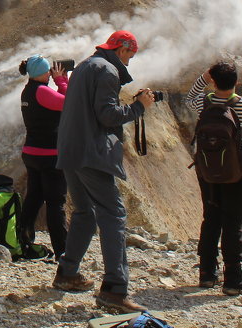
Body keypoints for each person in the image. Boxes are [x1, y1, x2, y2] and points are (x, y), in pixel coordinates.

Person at [54, 30, 155, 313]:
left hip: (70, 151)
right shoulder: (109, 71)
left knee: (85, 212)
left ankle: (67, 273)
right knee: (113, 214)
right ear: (122, 49)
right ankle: (114, 289)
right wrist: (139, 107)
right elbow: (108, 115)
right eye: (130, 56)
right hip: (91, 153)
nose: (129, 62)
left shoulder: (87, 65)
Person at [187, 61, 242, 296]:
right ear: (236, 81)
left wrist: (204, 78)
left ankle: (207, 273)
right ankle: (233, 278)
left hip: (208, 171)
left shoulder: (204, 103)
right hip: (238, 172)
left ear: (213, 80)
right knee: (233, 222)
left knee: (211, 219)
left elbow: (190, 97)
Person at [18, 54, 71, 260]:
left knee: (34, 197)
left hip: (31, 153)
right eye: (49, 70)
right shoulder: (42, 91)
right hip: (49, 155)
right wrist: (62, 81)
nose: (51, 73)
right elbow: (68, 103)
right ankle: (62, 250)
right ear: (42, 73)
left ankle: (23, 240)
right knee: (55, 202)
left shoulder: (27, 91)